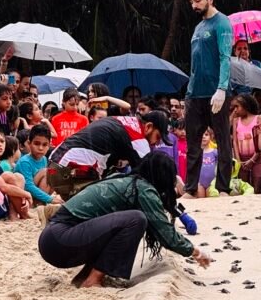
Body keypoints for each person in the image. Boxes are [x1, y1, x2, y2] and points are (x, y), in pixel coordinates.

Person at [39, 153, 211, 289]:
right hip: (60, 240)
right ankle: (93, 280)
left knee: (120, 225)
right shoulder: (143, 189)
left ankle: (86, 277)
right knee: (136, 219)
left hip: (55, 239)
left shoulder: (125, 181)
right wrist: (196, 252)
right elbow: (166, 234)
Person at [47, 112, 171, 200]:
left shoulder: (123, 121)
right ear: (148, 126)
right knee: (110, 202)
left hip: (56, 166)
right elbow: (148, 177)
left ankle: (56, 214)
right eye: (158, 137)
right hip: (68, 172)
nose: (155, 143)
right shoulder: (138, 137)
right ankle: (56, 215)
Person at [184, 0, 233, 196]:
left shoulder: (222, 23)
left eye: (198, 0)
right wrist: (188, 91)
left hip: (216, 92)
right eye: (191, 2)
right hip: (195, 92)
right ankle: (191, 188)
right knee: (193, 143)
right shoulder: (198, 27)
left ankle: (223, 187)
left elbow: (225, 57)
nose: (194, 5)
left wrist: (222, 88)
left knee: (222, 139)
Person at [0, 125, 33, 220]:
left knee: (18, 176)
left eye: (2, 141)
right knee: (8, 176)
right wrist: (26, 194)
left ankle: (14, 213)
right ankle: (23, 214)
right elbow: (4, 188)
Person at [15, 123, 61, 207]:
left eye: (44, 145)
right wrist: (50, 199)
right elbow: (28, 186)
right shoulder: (25, 162)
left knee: (54, 172)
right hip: (25, 197)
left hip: (38, 195)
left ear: (49, 145)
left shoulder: (43, 159)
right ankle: (39, 204)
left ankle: (41, 203)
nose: (40, 148)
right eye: (37, 143)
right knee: (46, 172)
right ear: (29, 143)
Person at [231, 93, 261, 193]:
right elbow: (235, 141)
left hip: (257, 159)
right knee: (244, 187)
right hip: (242, 160)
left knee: (256, 187)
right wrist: (238, 160)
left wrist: (253, 159)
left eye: (237, 106)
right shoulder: (236, 120)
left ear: (246, 105)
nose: (235, 110)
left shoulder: (259, 118)